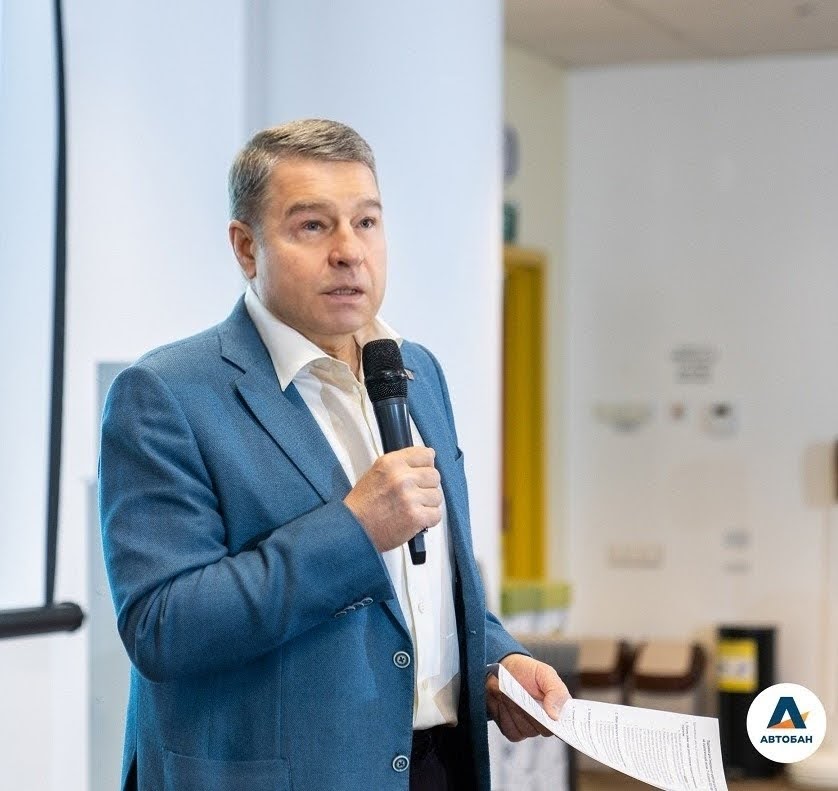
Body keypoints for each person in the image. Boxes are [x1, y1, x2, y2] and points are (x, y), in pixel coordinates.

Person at [99, 119, 568, 791]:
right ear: (246, 247)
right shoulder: (166, 394)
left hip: (439, 765)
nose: (349, 252)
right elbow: (163, 628)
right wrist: (355, 529)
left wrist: (495, 663)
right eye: (313, 226)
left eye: (366, 222)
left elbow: (431, 589)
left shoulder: (416, 371)